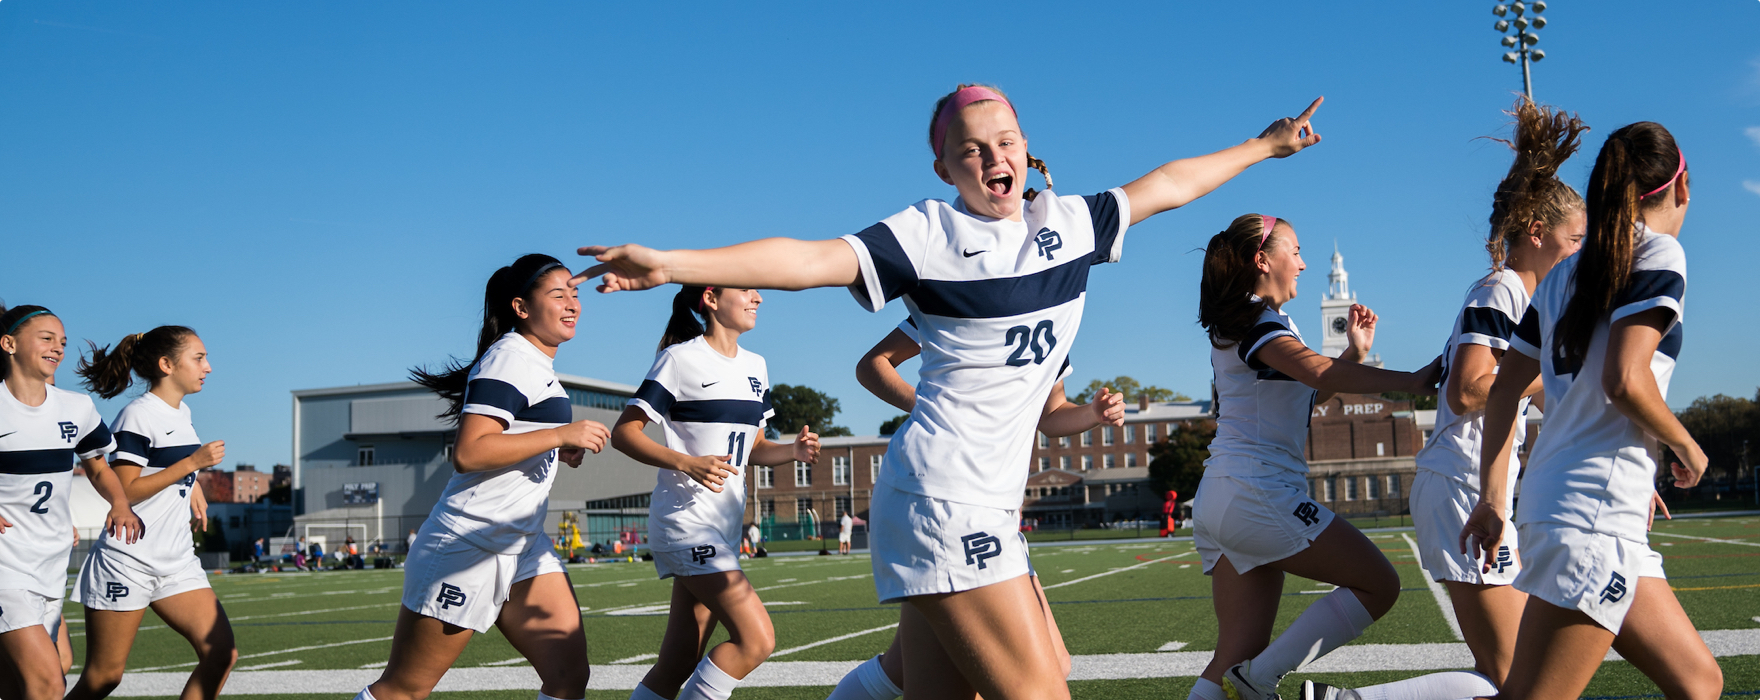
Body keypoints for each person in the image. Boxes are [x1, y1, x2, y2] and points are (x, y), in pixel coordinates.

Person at [576, 84, 1323, 700]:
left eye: (1004, 141)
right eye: (970, 148)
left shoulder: (1071, 222)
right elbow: (809, 258)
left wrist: (1265, 146)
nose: (992, 158)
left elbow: (1167, 184)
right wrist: (672, 262)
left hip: (978, 504)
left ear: (1026, 150)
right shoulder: (926, 235)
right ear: (944, 169)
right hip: (942, 499)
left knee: (934, 689)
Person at [1302, 99, 1588, 700]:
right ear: (1537, 233)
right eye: (1574, 239)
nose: (1580, 254)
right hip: (1461, 483)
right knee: (1512, 677)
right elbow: (1469, 389)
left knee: (1510, 674)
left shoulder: (1520, 300)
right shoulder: (1502, 290)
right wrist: (1558, 372)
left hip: (1466, 484)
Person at [1462, 122, 1721, 700]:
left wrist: (1491, 499)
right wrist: (1687, 445)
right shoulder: (1659, 252)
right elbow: (1625, 380)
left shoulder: (1562, 276)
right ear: (1680, 190)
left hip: (1580, 511)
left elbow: (1505, 391)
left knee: (1699, 683)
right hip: (1593, 518)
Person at [1185, 215, 1440, 700]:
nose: (1302, 263)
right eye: (1296, 251)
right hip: (1256, 491)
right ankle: (1260, 679)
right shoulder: (1259, 319)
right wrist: (1411, 381)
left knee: (1230, 657)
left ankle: (1249, 675)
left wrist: (1354, 356)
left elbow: (1309, 394)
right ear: (1263, 260)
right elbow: (1316, 372)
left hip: (1222, 493)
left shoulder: (1249, 319)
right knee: (1379, 585)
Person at [356, 254, 610, 700]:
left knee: (568, 676)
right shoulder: (510, 357)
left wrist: (556, 445)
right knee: (403, 690)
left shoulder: (534, 361)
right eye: (558, 295)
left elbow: (515, 437)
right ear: (521, 307)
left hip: (522, 544)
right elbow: (470, 452)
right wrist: (560, 433)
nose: (573, 304)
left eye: (575, 293)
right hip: (467, 545)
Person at [825, 319, 1121, 700]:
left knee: (912, 674)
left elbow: (1051, 413)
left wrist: (1092, 414)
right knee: (1032, 674)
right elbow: (873, 363)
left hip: (990, 507)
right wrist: (934, 411)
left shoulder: (1056, 306)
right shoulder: (965, 284)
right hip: (952, 499)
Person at [611, 285, 821, 700]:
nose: (757, 298)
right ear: (710, 298)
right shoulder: (679, 359)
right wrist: (685, 461)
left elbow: (756, 447)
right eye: (746, 289)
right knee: (756, 640)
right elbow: (624, 433)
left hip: (722, 528)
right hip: (686, 524)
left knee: (678, 662)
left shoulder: (757, 365)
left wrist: (792, 451)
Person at [66, 325, 239, 700]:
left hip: (176, 562)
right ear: (166, 364)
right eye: (198, 358)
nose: (207, 367)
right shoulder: (137, 416)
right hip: (128, 561)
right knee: (105, 676)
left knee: (221, 654)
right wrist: (193, 463)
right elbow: (123, 491)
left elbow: (165, 462)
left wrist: (192, 484)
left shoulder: (182, 411)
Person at [0, 305, 143, 700]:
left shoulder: (75, 407)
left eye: (62, 341)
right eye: (46, 338)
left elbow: (98, 467)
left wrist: (119, 503)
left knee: (29, 679)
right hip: (4, 564)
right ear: (9, 343)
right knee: (48, 682)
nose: (57, 347)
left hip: (50, 560)